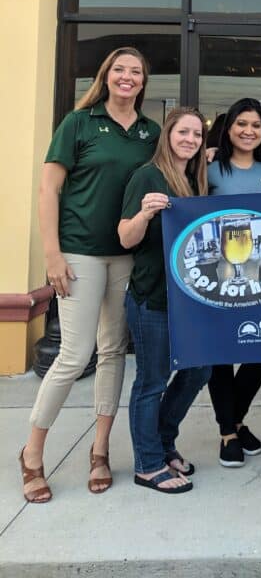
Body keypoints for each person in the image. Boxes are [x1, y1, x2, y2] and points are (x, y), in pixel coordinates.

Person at [19, 47, 159, 503]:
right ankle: (33, 453)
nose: (127, 77)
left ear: (143, 82)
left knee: (115, 350)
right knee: (75, 355)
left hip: (124, 256)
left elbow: (171, 170)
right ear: (106, 76)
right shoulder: (78, 124)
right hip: (78, 253)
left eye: (135, 72)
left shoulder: (148, 132)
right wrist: (52, 255)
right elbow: (49, 188)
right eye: (120, 69)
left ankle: (100, 451)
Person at [119, 107, 211, 494]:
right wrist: (143, 214)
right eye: (182, 132)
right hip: (151, 297)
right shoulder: (148, 176)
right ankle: (148, 464)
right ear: (168, 134)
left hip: (186, 302)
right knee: (152, 381)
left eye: (196, 134)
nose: (189, 139)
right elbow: (125, 236)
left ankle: (162, 440)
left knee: (199, 369)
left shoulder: (193, 180)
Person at [207, 98, 261, 468]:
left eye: (255, 125)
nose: (249, 131)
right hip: (221, 276)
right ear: (229, 127)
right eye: (241, 124)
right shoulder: (210, 168)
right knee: (220, 354)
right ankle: (227, 433)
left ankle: (234, 418)